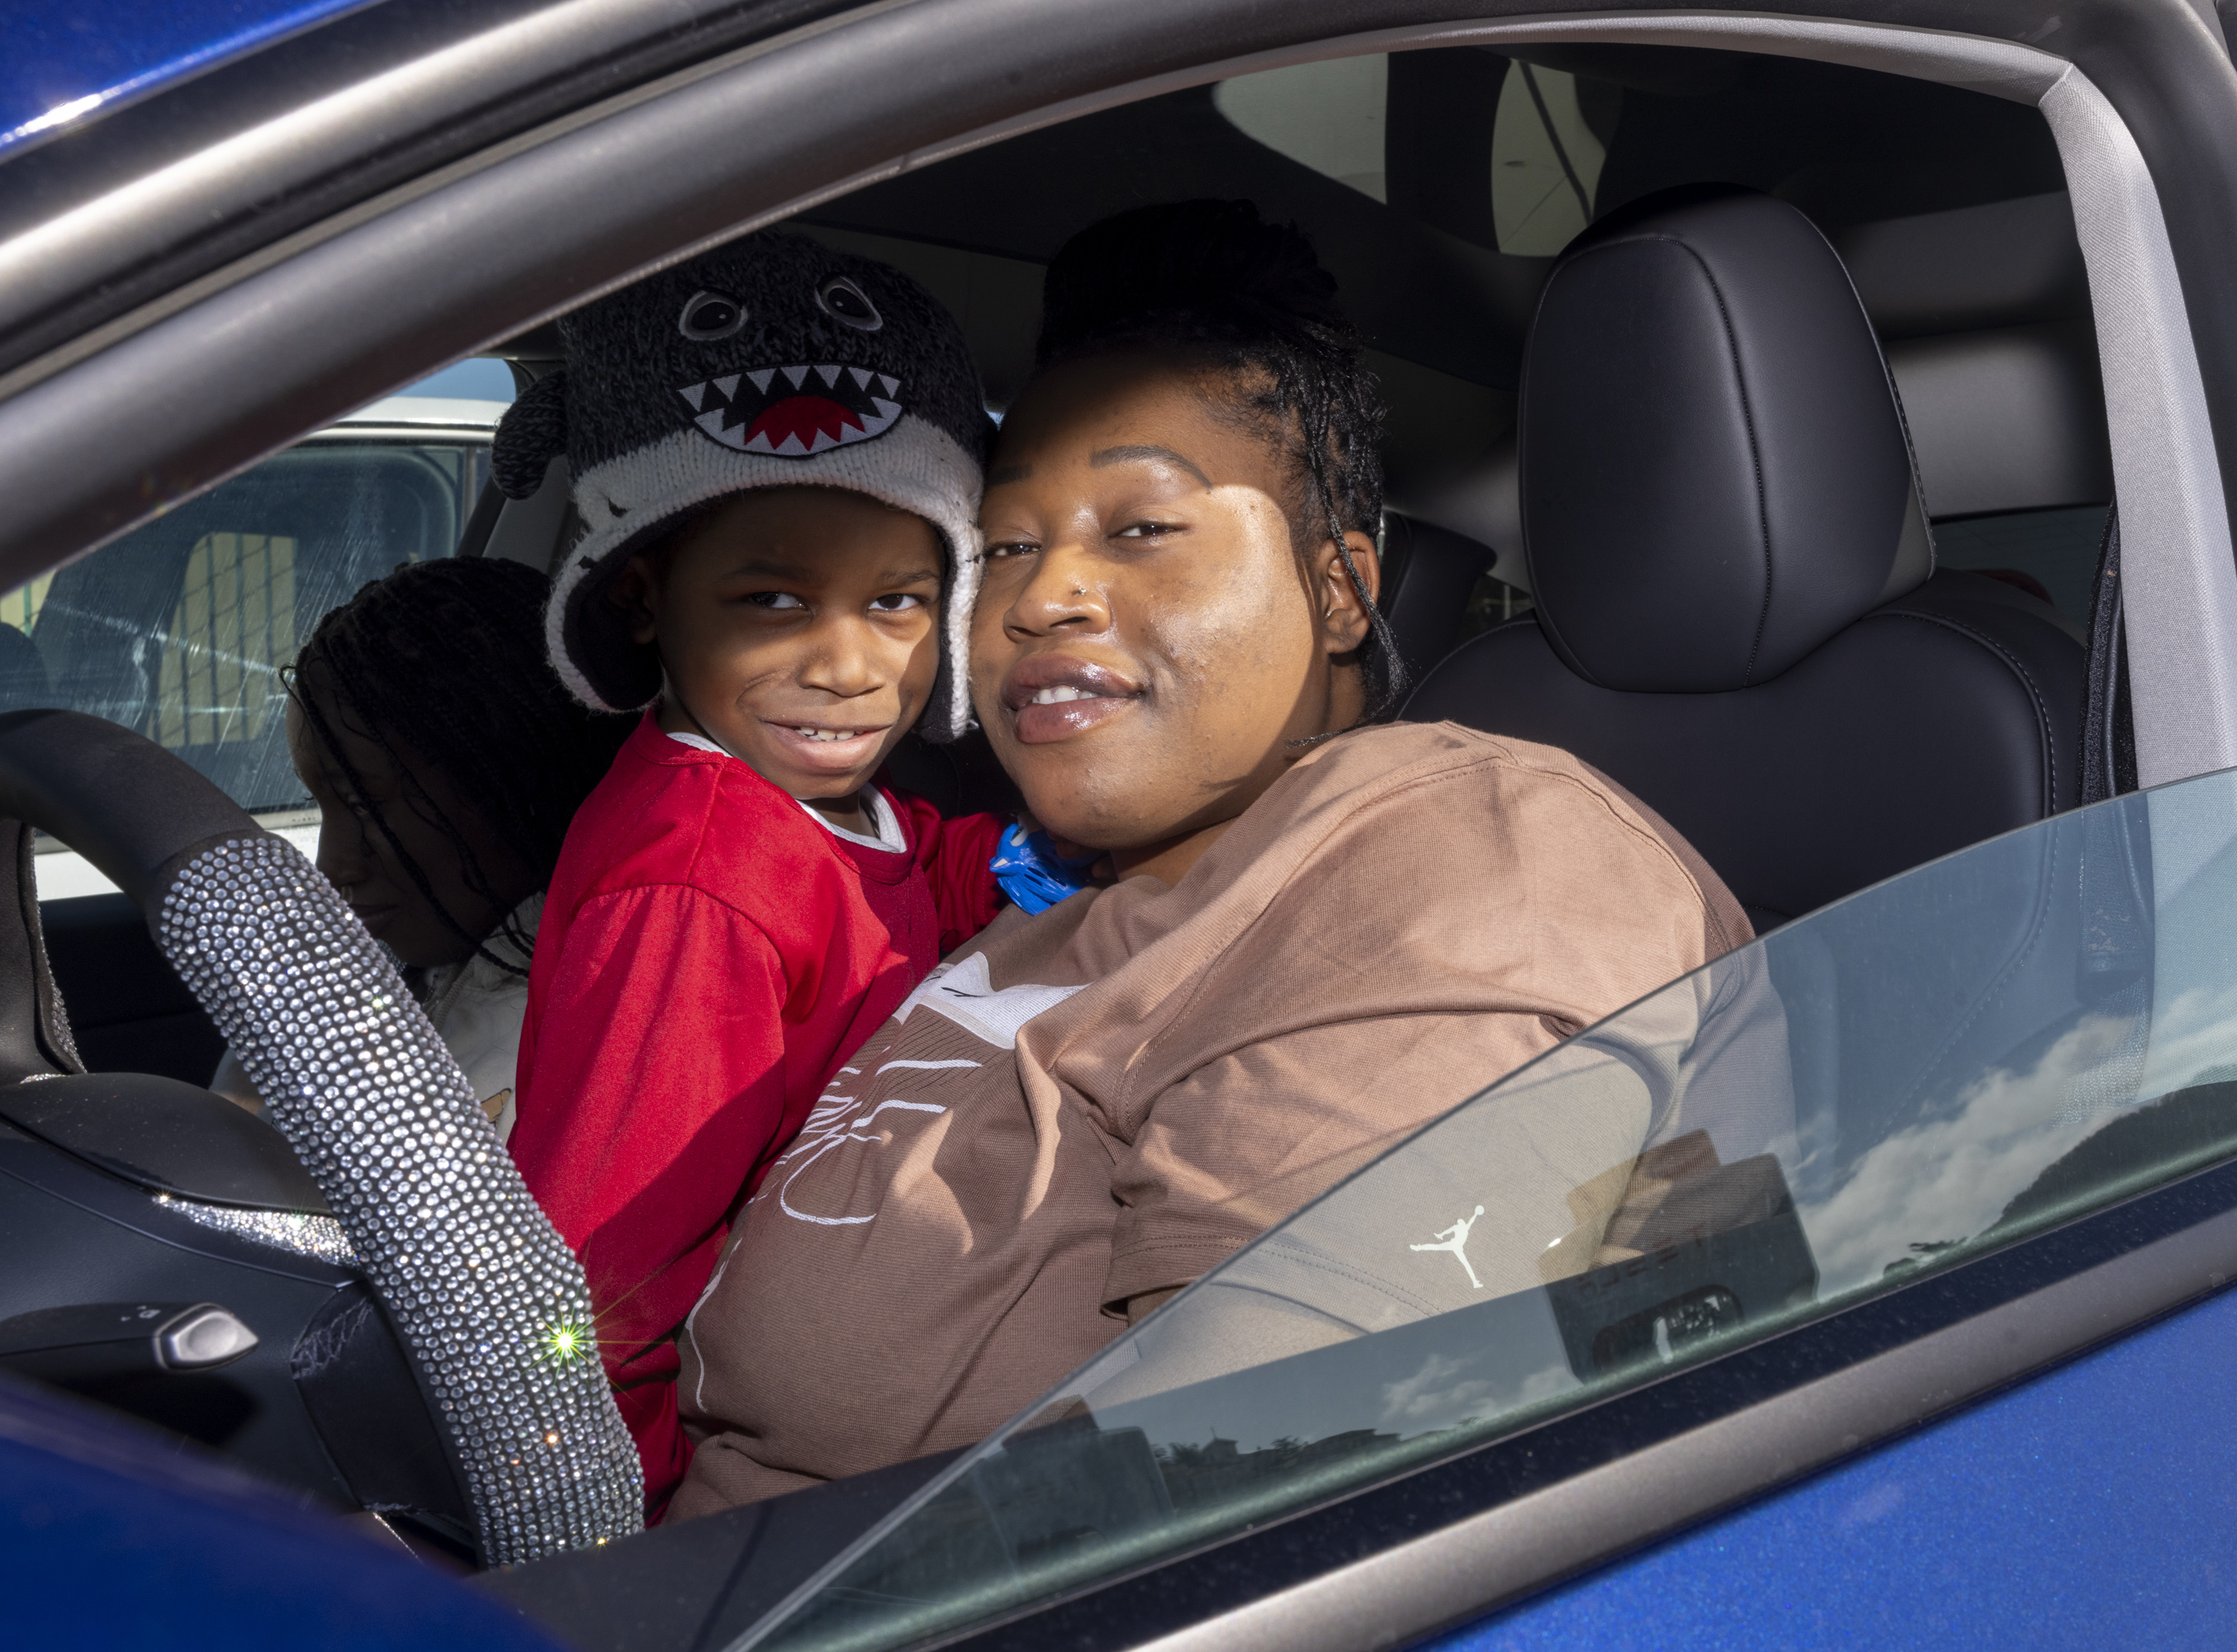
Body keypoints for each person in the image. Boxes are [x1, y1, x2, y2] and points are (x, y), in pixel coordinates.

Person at [665, 201, 1759, 1518]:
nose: (1038, 596)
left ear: (1343, 589)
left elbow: (1245, 1509)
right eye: (1006, 546)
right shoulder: (1060, 894)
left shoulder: (1462, 858)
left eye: (1140, 529)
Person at [492, 230, 1035, 1517]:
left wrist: (1044, 860)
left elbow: (911, 878)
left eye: (900, 603)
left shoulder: (817, 802)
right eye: (775, 602)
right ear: (642, 599)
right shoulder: (700, 885)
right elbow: (597, 1270)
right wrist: (612, 1532)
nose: (852, 666)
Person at [216, 557, 629, 1137]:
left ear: (507, 778)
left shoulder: (575, 1031)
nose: (331, 866)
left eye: (364, 805)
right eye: (323, 805)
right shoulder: (411, 964)